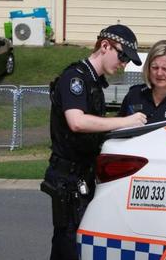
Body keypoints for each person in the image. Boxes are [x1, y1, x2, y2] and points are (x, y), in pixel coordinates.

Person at [41, 24, 147, 260]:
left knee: (76, 241)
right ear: (105, 46)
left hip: (83, 174)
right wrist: (125, 122)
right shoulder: (75, 78)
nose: (123, 64)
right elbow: (77, 122)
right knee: (68, 242)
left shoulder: (93, 82)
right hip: (67, 177)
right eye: (122, 56)